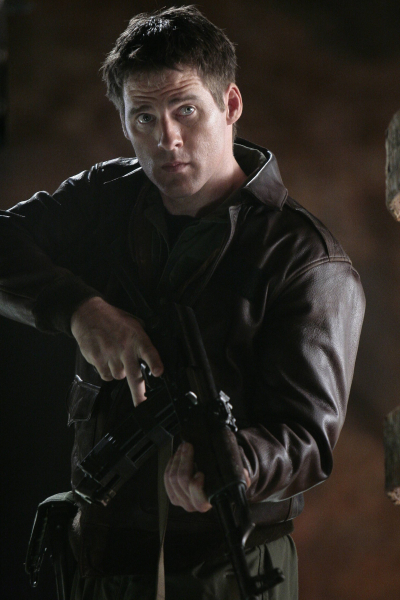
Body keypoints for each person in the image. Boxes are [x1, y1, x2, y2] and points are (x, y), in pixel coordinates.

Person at [0, 5, 365, 600]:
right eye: (143, 116)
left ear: (231, 104)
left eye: (185, 110)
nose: (165, 138)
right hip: (100, 560)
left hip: (226, 567)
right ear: (123, 122)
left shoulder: (306, 260)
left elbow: (308, 438)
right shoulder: (104, 200)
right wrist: (79, 309)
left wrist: (236, 461)